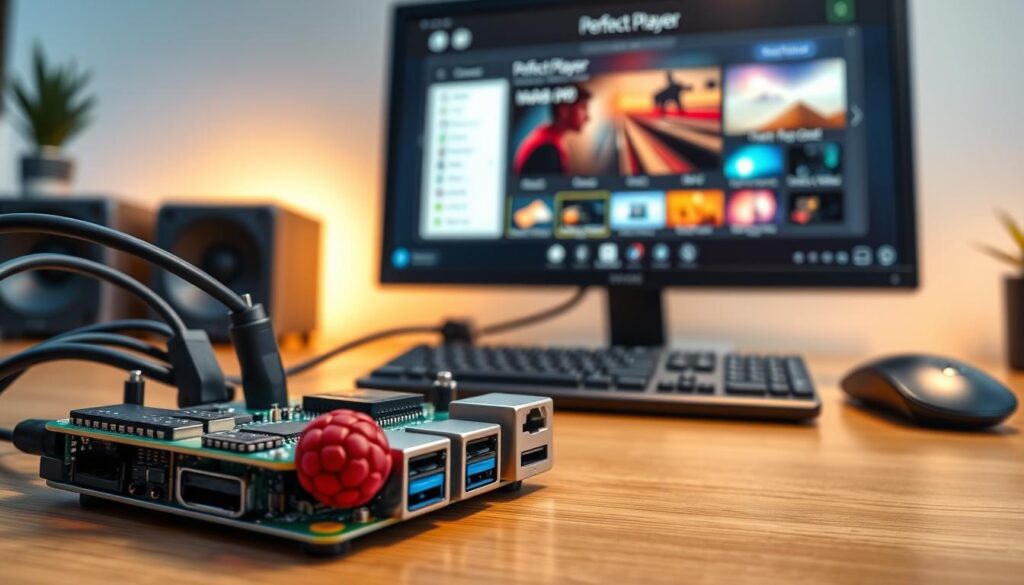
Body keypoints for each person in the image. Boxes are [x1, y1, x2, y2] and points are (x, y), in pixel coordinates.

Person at [513, 86, 592, 175]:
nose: (588, 118)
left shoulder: (546, 138)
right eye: (583, 107)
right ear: (564, 110)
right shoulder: (547, 150)